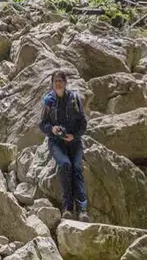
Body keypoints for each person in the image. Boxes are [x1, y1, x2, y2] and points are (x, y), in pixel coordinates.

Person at [39, 69, 87, 217]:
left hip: (74, 141)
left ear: (65, 83)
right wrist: (52, 129)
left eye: (61, 81)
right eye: (56, 81)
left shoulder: (74, 99)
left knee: (77, 167)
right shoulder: (48, 101)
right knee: (65, 165)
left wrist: (74, 135)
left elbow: (83, 123)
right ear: (52, 84)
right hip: (56, 142)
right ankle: (67, 208)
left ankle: (82, 209)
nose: (58, 84)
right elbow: (42, 125)